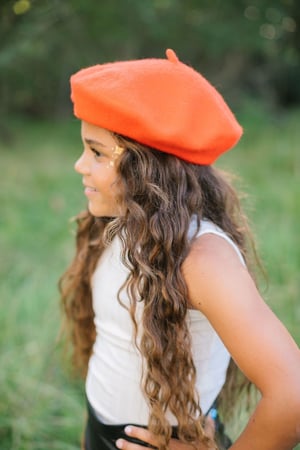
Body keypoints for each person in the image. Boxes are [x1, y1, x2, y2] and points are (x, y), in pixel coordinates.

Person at [60, 49, 300, 450]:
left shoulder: (201, 258)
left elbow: (292, 393)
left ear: (147, 166)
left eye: (97, 151)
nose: (79, 165)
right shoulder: (119, 222)